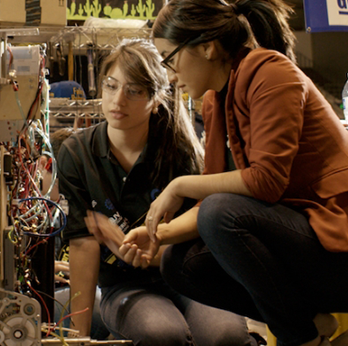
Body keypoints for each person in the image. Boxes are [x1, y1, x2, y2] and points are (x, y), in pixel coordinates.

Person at [118, 0, 348, 346]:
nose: (171, 76)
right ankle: (311, 328)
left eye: (170, 59)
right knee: (179, 263)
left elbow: (265, 183)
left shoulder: (271, 74)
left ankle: (300, 340)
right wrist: (157, 235)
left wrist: (179, 186)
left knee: (220, 215)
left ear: (207, 47)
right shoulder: (215, 102)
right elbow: (217, 199)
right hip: (312, 249)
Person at [58, 39, 252, 345]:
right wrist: (78, 338)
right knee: (162, 334)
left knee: (225, 336)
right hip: (124, 288)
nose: (117, 100)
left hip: (188, 275)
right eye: (111, 85)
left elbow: (203, 235)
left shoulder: (181, 152)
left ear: (156, 99)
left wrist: (149, 256)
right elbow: (83, 248)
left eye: (134, 90)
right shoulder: (77, 153)